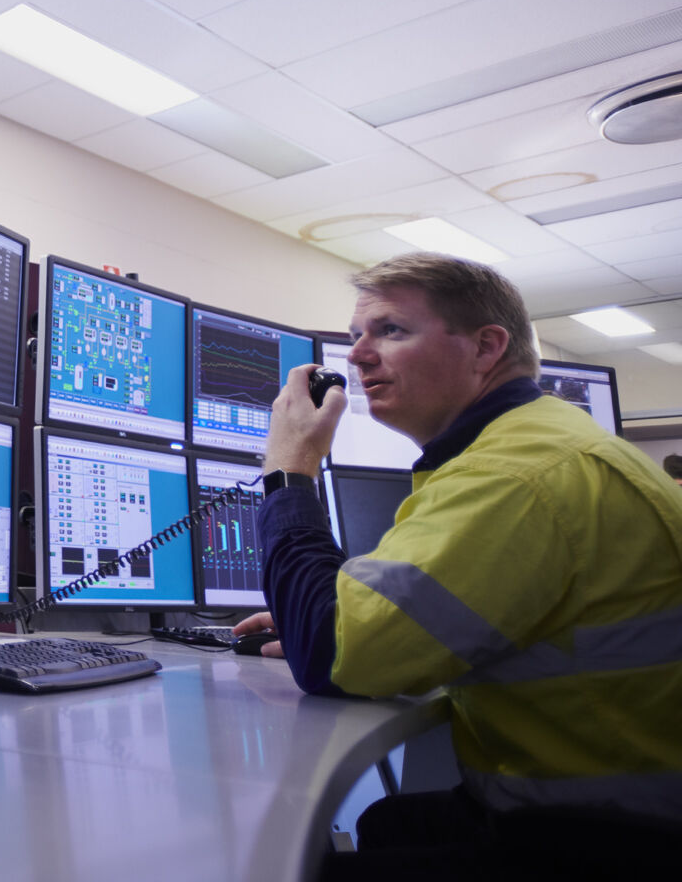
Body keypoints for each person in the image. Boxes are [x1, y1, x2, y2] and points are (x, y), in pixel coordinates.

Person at [232, 253, 682, 876]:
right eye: (356, 336)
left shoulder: (514, 475)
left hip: (613, 838)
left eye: (390, 330)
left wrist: (290, 467)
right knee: (388, 823)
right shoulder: (547, 443)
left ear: (486, 347)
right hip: (626, 803)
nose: (357, 355)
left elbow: (330, 656)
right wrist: (349, 616)